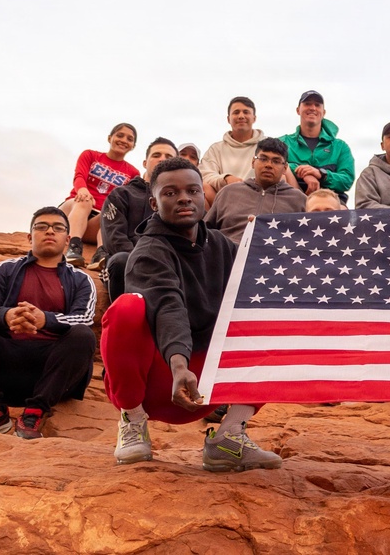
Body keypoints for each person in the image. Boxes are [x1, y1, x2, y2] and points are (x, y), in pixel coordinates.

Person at [101, 157, 281, 471]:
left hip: (207, 385)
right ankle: (133, 422)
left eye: (192, 191)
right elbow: (168, 306)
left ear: (203, 197)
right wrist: (179, 366)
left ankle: (229, 436)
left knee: (274, 310)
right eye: (170, 193)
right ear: (154, 204)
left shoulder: (222, 246)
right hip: (163, 382)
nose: (184, 198)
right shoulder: (148, 252)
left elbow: (265, 283)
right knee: (125, 309)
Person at [0, 207, 96, 439]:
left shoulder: (81, 279)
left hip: (52, 373)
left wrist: (45, 320)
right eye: (42, 227)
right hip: (4, 368)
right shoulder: (4, 269)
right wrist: (7, 316)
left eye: (58, 228)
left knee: (83, 336)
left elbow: (84, 317)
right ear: (30, 237)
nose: (49, 231)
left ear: (67, 239)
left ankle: (34, 413)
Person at [100, 137, 178, 303]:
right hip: (129, 261)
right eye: (156, 155)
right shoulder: (121, 195)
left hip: (168, 264)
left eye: (168, 157)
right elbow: (114, 238)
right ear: (144, 163)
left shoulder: (181, 200)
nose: (162, 159)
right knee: (120, 260)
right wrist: (142, 260)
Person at [59, 123, 139, 268]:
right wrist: (82, 189)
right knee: (86, 201)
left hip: (97, 222)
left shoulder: (133, 173)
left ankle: (101, 254)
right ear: (110, 138)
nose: (124, 140)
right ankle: (73, 247)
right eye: (120, 135)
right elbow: (79, 176)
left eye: (129, 139)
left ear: (133, 146)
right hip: (74, 210)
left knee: (112, 214)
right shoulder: (90, 155)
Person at [206, 137, 308, 244]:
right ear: (253, 162)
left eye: (276, 161)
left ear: (285, 168)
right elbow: (205, 232)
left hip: (276, 252)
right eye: (263, 159)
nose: (268, 165)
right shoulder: (228, 193)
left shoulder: (299, 200)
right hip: (228, 251)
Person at [278, 90, 355, 205]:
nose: (313, 108)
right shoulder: (283, 142)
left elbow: (347, 180)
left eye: (317, 105)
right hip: (293, 201)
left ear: (323, 112)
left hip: (331, 203)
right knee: (281, 171)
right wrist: (305, 173)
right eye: (307, 104)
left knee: (342, 210)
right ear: (298, 110)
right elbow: (273, 165)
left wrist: (321, 174)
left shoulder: (340, 147)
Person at [199, 96, 266, 207]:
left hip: (260, 199)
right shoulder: (216, 149)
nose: (241, 116)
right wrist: (226, 178)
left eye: (246, 112)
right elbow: (204, 175)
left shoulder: (267, 145)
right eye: (236, 112)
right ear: (228, 119)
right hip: (225, 201)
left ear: (254, 118)